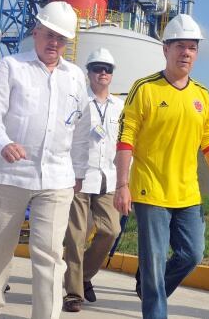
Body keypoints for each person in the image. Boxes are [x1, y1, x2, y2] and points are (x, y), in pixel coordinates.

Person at [0, 0, 89, 319]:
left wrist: (79, 170)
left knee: (50, 256)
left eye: (61, 39)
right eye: (49, 34)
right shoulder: (12, 67)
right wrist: (2, 143)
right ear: (36, 31)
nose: (54, 43)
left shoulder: (75, 78)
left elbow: (81, 128)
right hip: (8, 176)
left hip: (56, 179)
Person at [114, 13, 209, 319]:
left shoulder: (201, 95)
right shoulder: (146, 89)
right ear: (165, 49)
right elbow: (126, 138)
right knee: (152, 261)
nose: (186, 52)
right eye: (180, 45)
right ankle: (154, 307)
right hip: (149, 189)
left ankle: (152, 290)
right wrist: (122, 185)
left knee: (192, 255)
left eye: (192, 47)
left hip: (187, 193)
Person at [62, 48, 124, 313]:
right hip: (79, 177)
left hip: (107, 178)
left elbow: (124, 143)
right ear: (88, 72)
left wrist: (125, 180)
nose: (103, 73)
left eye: (107, 69)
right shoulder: (77, 101)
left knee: (111, 230)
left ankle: (84, 275)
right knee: (76, 236)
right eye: (97, 68)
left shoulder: (120, 106)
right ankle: (73, 293)